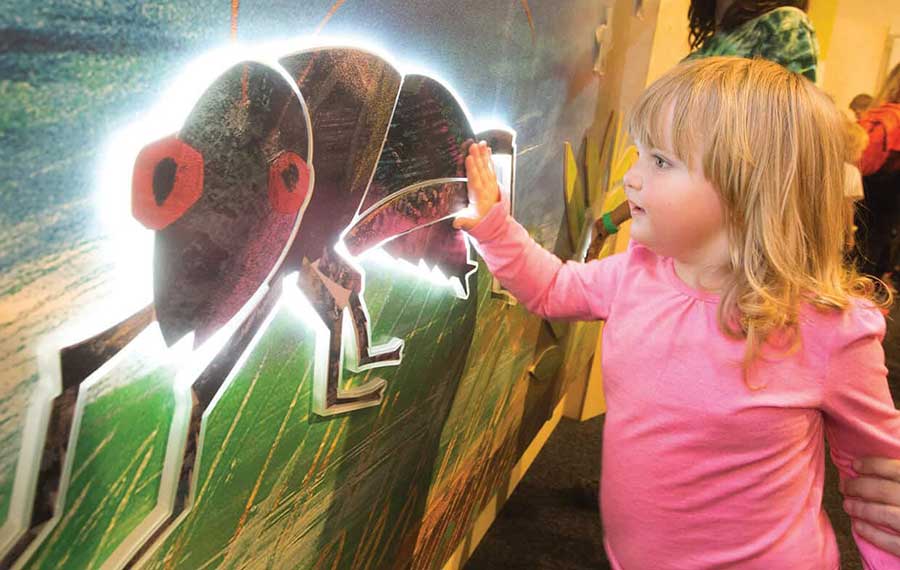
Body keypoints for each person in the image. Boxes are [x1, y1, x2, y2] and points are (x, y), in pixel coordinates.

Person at [454, 58, 900, 568]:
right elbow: (553, 288)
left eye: (660, 161)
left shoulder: (829, 331)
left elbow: (878, 477)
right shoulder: (635, 274)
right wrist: (494, 227)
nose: (632, 178)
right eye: (640, 155)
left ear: (750, 187)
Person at [592, 0, 819, 249]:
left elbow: (779, 151)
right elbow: (680, 158)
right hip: (681, 231)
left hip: (724, 246)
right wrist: (613, 220)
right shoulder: (722, 37)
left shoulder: (783, 26)